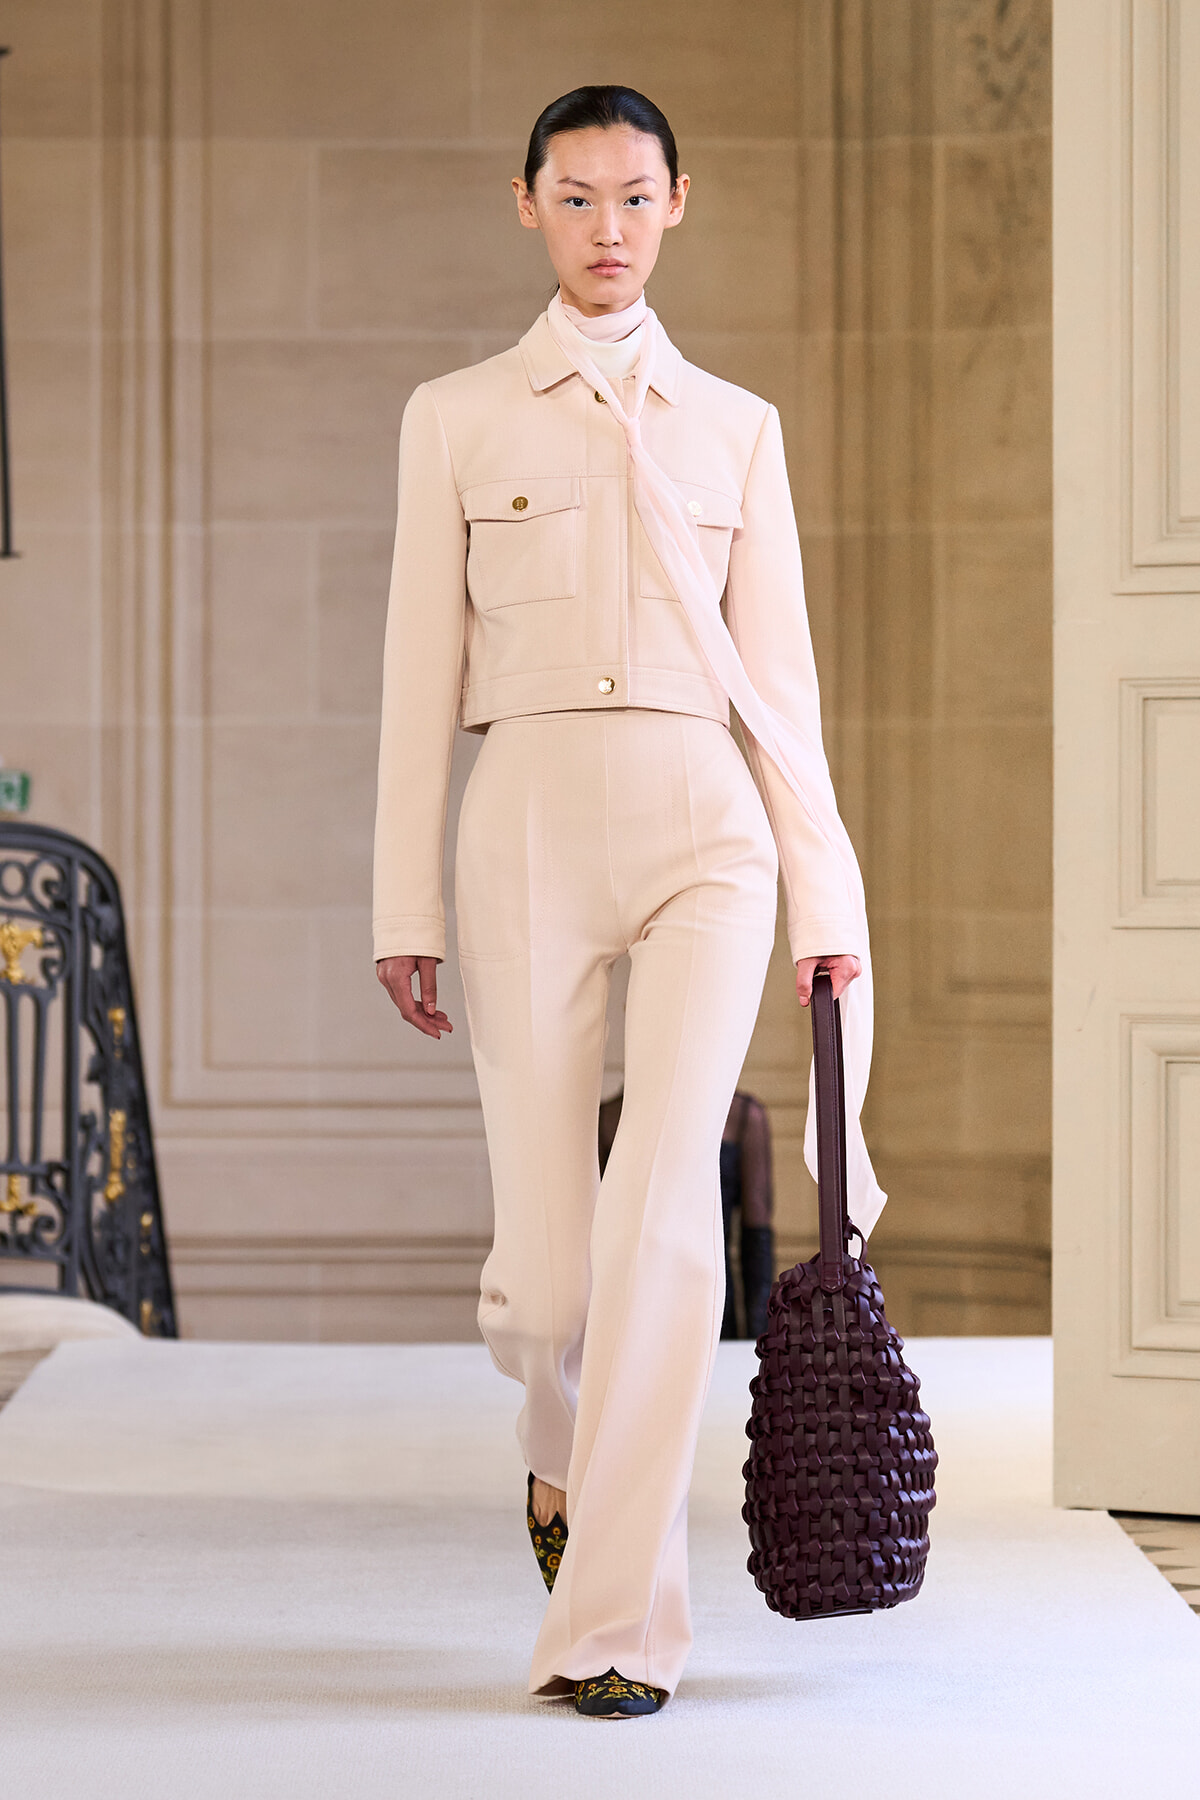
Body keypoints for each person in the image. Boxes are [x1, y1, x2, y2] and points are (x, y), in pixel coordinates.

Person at [373, 84, 882, 1719]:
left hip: (706, 838)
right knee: (549, 1272)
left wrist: (824, 885)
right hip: (520, 819)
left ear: (679, 207)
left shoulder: (735, 425)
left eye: (634, 198)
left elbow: (785, 695)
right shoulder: (455, 415)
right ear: (529, 206)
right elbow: (411, 684)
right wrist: (406, 903)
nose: (607, 227)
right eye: (576, 197)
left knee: (667, 1223)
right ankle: (555, 1448)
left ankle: (616, 1626)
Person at [598, 1087, 776, 1340]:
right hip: (632, 1313)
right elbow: (598, 1237)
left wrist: (760, 1344)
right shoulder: (609, 1116)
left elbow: (757, 1243)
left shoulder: (741, 1115)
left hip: (710, 1309)